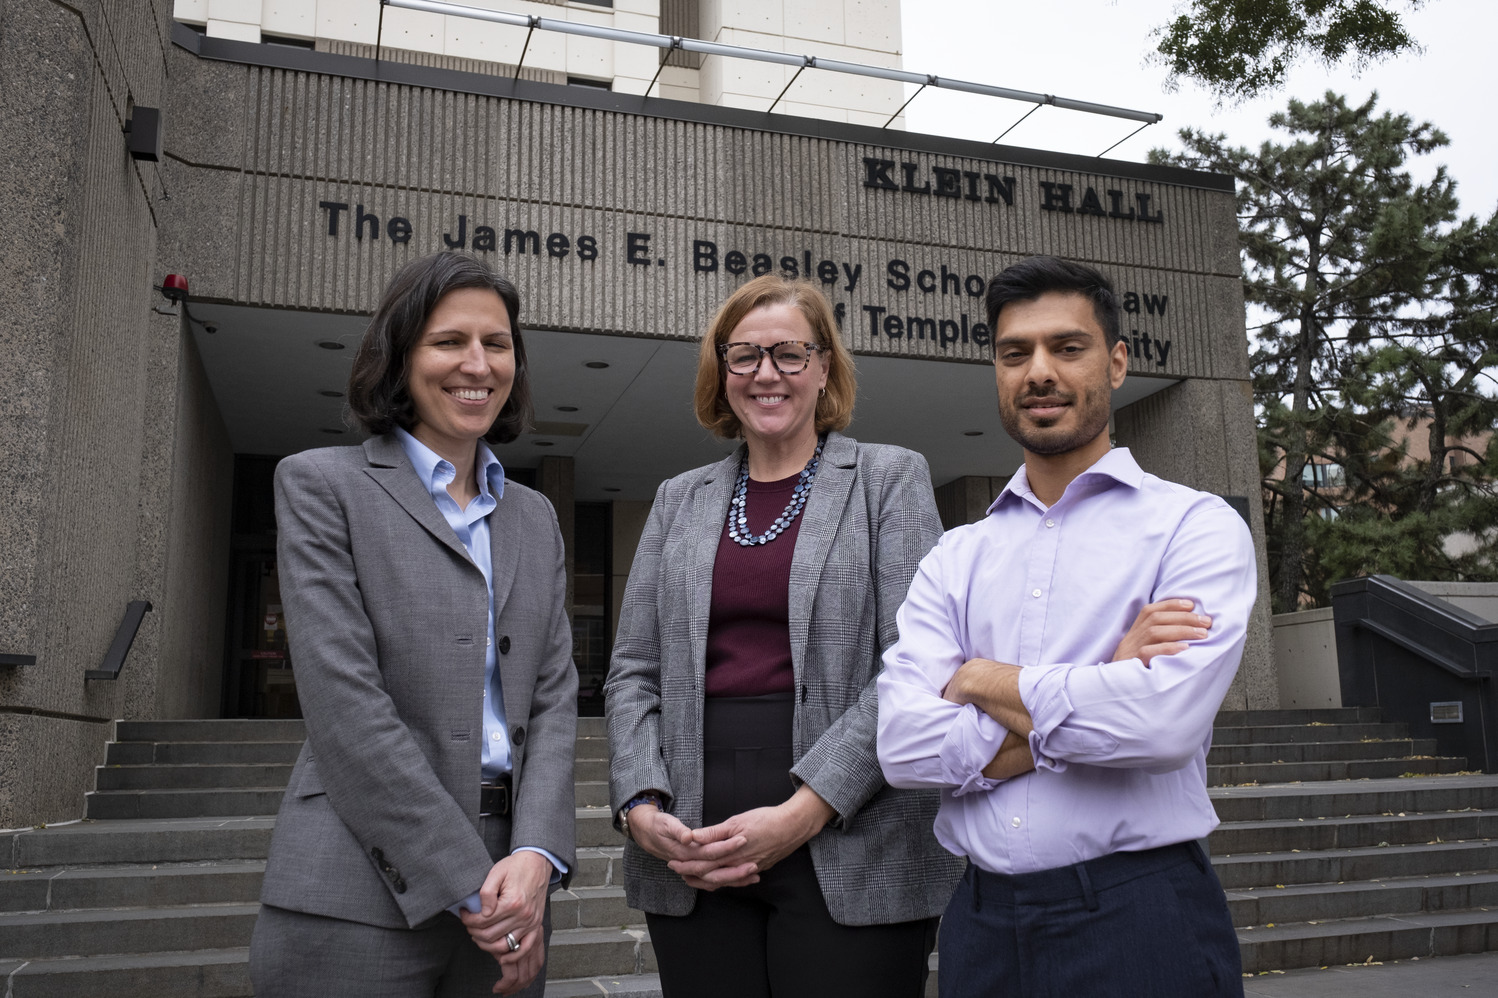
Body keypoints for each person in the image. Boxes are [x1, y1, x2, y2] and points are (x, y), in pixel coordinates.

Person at [877, 255, 1255, 997]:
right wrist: (1102, 684)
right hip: (979, 926)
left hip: (1140, 916)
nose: (1038, 371)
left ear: (1116, 363)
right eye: (1015, 353)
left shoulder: (1193, 527)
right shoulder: (956, 557)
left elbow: (1158, 728)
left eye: (1066, 347)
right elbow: (901, 749)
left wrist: (981, 680)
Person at [606, 275, 964, 998]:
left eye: (789, 354)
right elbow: (633, 672)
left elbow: (917, 665)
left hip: (853, 837)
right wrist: (641, 804)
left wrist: (805, 811)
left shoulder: (889, 480)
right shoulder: (679, 499)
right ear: (722, 371)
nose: (766, 374)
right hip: (694, 849)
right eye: (744, 356)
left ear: (825, 367)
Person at [249, 252, 577, 998]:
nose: (477, 363)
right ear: (399, 359)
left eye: (497, 344)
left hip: (512, 889)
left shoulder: (534, 516)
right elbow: (345, 707)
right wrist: (468, 882)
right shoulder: (320, 485)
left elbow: (556, 700)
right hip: (356, 889)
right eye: (448, 341)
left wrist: (535, 856)